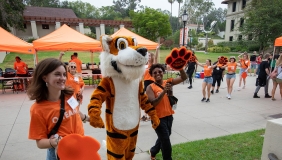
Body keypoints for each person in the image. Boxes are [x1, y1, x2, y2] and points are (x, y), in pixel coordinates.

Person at [27, 58, 85, 160]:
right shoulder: (37, 109)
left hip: (80, 146)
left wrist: (88, 118)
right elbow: (40, 142)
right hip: (59, 153)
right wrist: (53, 142)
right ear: (45, 77)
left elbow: (76, 111)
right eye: (57, 74)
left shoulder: (70, 95)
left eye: (64, 74)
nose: (62, 78)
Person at [146, 63, 187, 160]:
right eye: (154, 72)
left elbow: (184, 77)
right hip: (158, 119)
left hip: (169, 116)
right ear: (152, 75)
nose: (157, 74)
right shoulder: (150, 87)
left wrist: (180, 68)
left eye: (160, 71)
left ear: (163, 72)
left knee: (165, 137)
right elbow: (153, 103)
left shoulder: (168, 82)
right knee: (166, 143)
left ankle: (153, 150)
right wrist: (164, 91)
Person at [141, 44, 160, 122]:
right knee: (146, 100)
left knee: (148, 100)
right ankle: (147, 115)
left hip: (151, 83)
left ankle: (147, 115)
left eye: (149, 56)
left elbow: (155, 57)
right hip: (145, 83)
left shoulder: (153, 66)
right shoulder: (146, 65)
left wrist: (157, 50)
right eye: (147, 55)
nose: (148, 57)